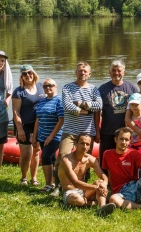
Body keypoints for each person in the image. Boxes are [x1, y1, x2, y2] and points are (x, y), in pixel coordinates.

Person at [51, 61, 102, 196]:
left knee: (85, 160)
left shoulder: (94, 89)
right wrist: (87, 110)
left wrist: (80, 103)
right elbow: (68, 107)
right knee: (62, 156)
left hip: (87, 131)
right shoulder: (67, 88)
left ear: (89, 74)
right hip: (70, 130)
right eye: (80, 71)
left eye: (85, 71)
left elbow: (99, 106)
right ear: (76, 72)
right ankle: (58, 186)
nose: (82, 73)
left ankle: (84, 186)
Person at [58, 133, 115, 217]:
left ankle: (102, 207)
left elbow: (102, 175)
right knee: (78, 200)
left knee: (100, 182)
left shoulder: (90, 159)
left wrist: (104, 184)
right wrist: (97, 188)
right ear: (76, 144)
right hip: (70, 192)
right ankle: (93, 203)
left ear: (90, 146)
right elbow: (75, 182)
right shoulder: (66, 160)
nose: (84, 146)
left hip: (85, 191)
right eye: (82, 143)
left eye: (87, 144)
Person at [98, 60, 138, 166]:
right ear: (109, 72)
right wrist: (97, 131)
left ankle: (125, 181)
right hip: (107, 132)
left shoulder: (132, 89)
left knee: (125, 161)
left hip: (126, 132)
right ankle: (106, 181)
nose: (116, 73)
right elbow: (97, 112)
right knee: (105, 160)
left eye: (119, 70)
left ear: (124, 72)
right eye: (113, 70)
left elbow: (138, 110)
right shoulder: (102, 89)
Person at [12, 64, 44, 185]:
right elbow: (15, 111)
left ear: (34, 73)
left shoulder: (41, 87)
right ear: (21, 77)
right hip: (24, 125)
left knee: (36, 151)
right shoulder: (19, 91)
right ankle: (24, 178)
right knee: (25, 154)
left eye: (29, 72)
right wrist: (19, 129)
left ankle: (34, 178)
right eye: (24, 74)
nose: (27, 75)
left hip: (39, 125)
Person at [32, 78, 64, 193]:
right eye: (45, 86)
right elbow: (37, 120)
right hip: (42, 136)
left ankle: (48, 185)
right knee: (52, 158)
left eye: (50, 85)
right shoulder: (42, 101)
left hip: (54, 136)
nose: (47, 88)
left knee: (45, 157)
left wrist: (51, 136)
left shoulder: (59, 100)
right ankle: (56, 183)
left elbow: (61, 120)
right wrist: (35, 136)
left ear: (56, 86)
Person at [127, 92, 141, 159]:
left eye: (136, 104)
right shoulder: (129, 119)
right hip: (130, 146)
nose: (134, 107)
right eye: (132, 105)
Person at [0, 51, 13, 167]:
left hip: (2, 113)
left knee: (1, 143)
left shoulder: (6, 74)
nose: (0, 62)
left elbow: (9, 91)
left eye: (2, 60)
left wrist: (8, 99)